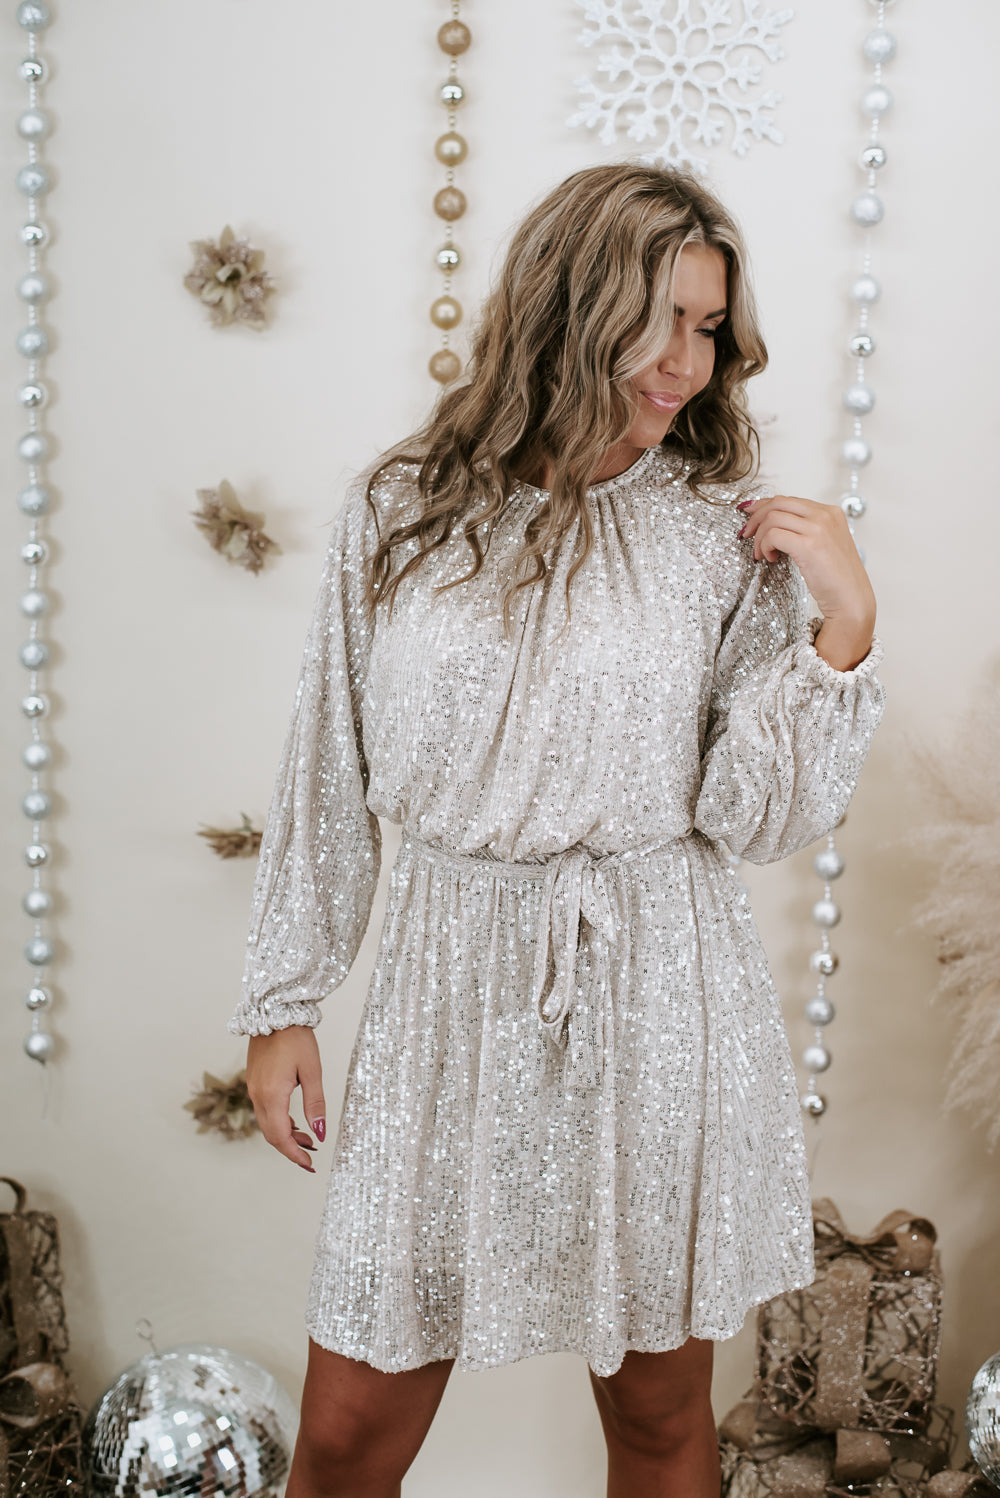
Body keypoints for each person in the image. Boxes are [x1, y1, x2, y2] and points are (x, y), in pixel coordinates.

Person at [230, 162, 884, 1498]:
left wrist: (844, 629)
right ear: (569, 308)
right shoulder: (401, 508)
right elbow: (327, 758)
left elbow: (751, 816)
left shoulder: (719, 535)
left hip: (657, 991)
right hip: (442, 991)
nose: (688, 366)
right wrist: (286, 996)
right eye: (663, 323)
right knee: (346, 1437)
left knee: (658, 1418)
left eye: (711, 329)